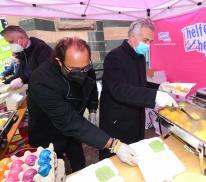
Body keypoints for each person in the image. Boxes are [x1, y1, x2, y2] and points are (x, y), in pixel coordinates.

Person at [27, 37, 137, 172]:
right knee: (53, 167)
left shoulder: (84, 67)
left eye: (85, 68)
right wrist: (114, 145)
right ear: (59, 61)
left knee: (78, 159)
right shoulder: (41, 81)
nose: (82, 73)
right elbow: (68, 121)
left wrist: (92, 109)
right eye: (74, 70)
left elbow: (91, 89)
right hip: (48, 131)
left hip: (74, 128)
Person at [99, 19, 177, 159]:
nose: (148, 45)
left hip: (136, 116)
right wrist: (154, 96)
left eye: (150, 42)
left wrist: (159, 87)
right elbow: (119, 89)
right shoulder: (115, 57)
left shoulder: (139, 56)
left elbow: (139, 84)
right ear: (132, 37)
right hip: (118, 120)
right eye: (145, 40)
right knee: (115, 159)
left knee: (135, 154)